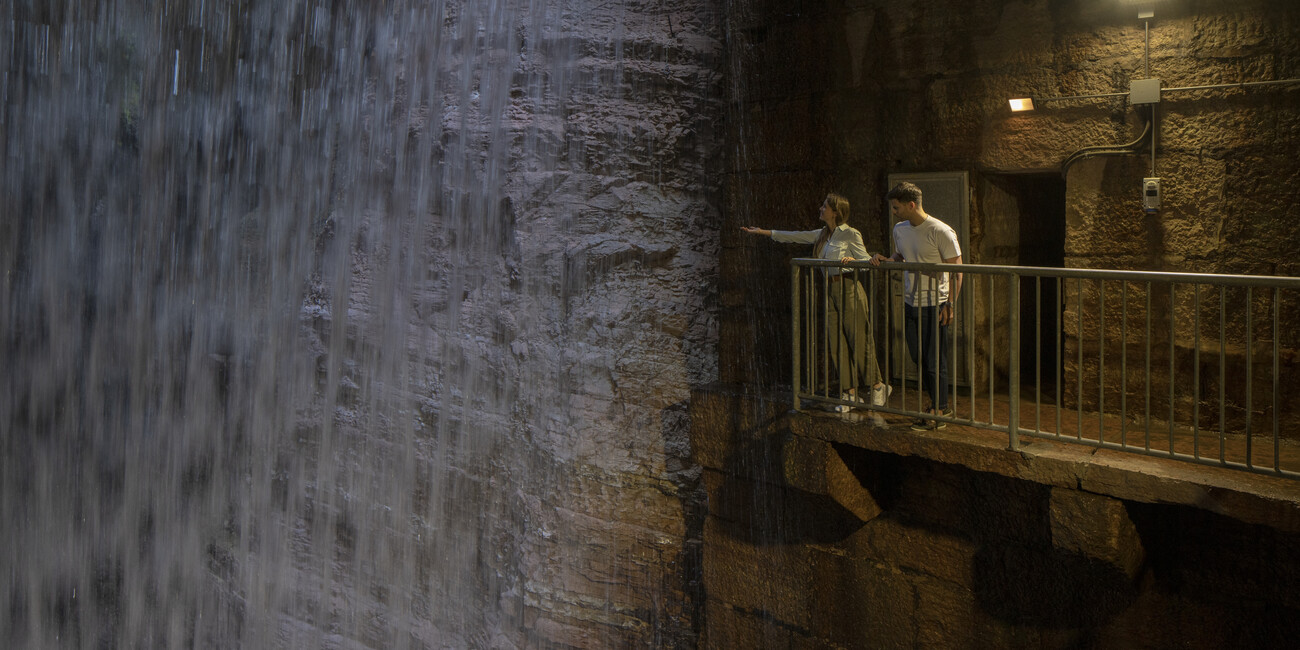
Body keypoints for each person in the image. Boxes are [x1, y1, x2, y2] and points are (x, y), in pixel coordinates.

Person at [742, 193, 891, 411]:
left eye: (824, 206)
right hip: (830, 288)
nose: (820, 209)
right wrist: (763, 232)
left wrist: (853, 262)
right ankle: (849, 393)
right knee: (836, 341)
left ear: (835, 211)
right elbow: (794, 236)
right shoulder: (822, 235)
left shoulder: (849, 233)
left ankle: (878, 385)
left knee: (858, 338)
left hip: (849, 286)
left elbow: (866, 259)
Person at [870, 182, 963, 430]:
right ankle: (936, 403)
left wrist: (950, 303)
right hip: (912, 301)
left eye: (897, 207)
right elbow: (901, 254)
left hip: (934, 302)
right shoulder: (900, 229)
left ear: (911, 205)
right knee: (918, 356)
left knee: (935, 359)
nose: (894, 211)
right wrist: (888, 260)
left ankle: (939, 409)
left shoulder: (941, 231)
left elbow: (957, 269)